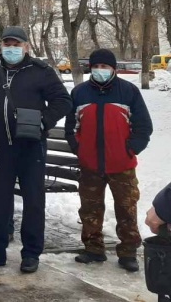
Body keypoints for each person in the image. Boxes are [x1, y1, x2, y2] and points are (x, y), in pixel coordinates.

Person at [0, 26, 72, 274]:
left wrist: (44, 121)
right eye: (7, 43)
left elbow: (63, 101)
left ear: (26, 46)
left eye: (16, 44)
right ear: (1, 45)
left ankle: (31, 253)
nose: (11, 48)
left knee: (34, 202)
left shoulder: (40, 71)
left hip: (30, 147)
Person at [65, 48, 152, 272]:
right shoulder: (80, 93)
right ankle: (93, 249)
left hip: (121, 164)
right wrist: (79, 148)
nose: (100, 70)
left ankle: (128, 252)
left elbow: (143, 126)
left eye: (104, 67)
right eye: (96, 66)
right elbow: (71, 126)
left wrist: (130, 149)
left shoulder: (129, 91)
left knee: (126, 208)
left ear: (113, 69)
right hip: (90, 164)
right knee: (90, 209)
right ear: (90, 68)